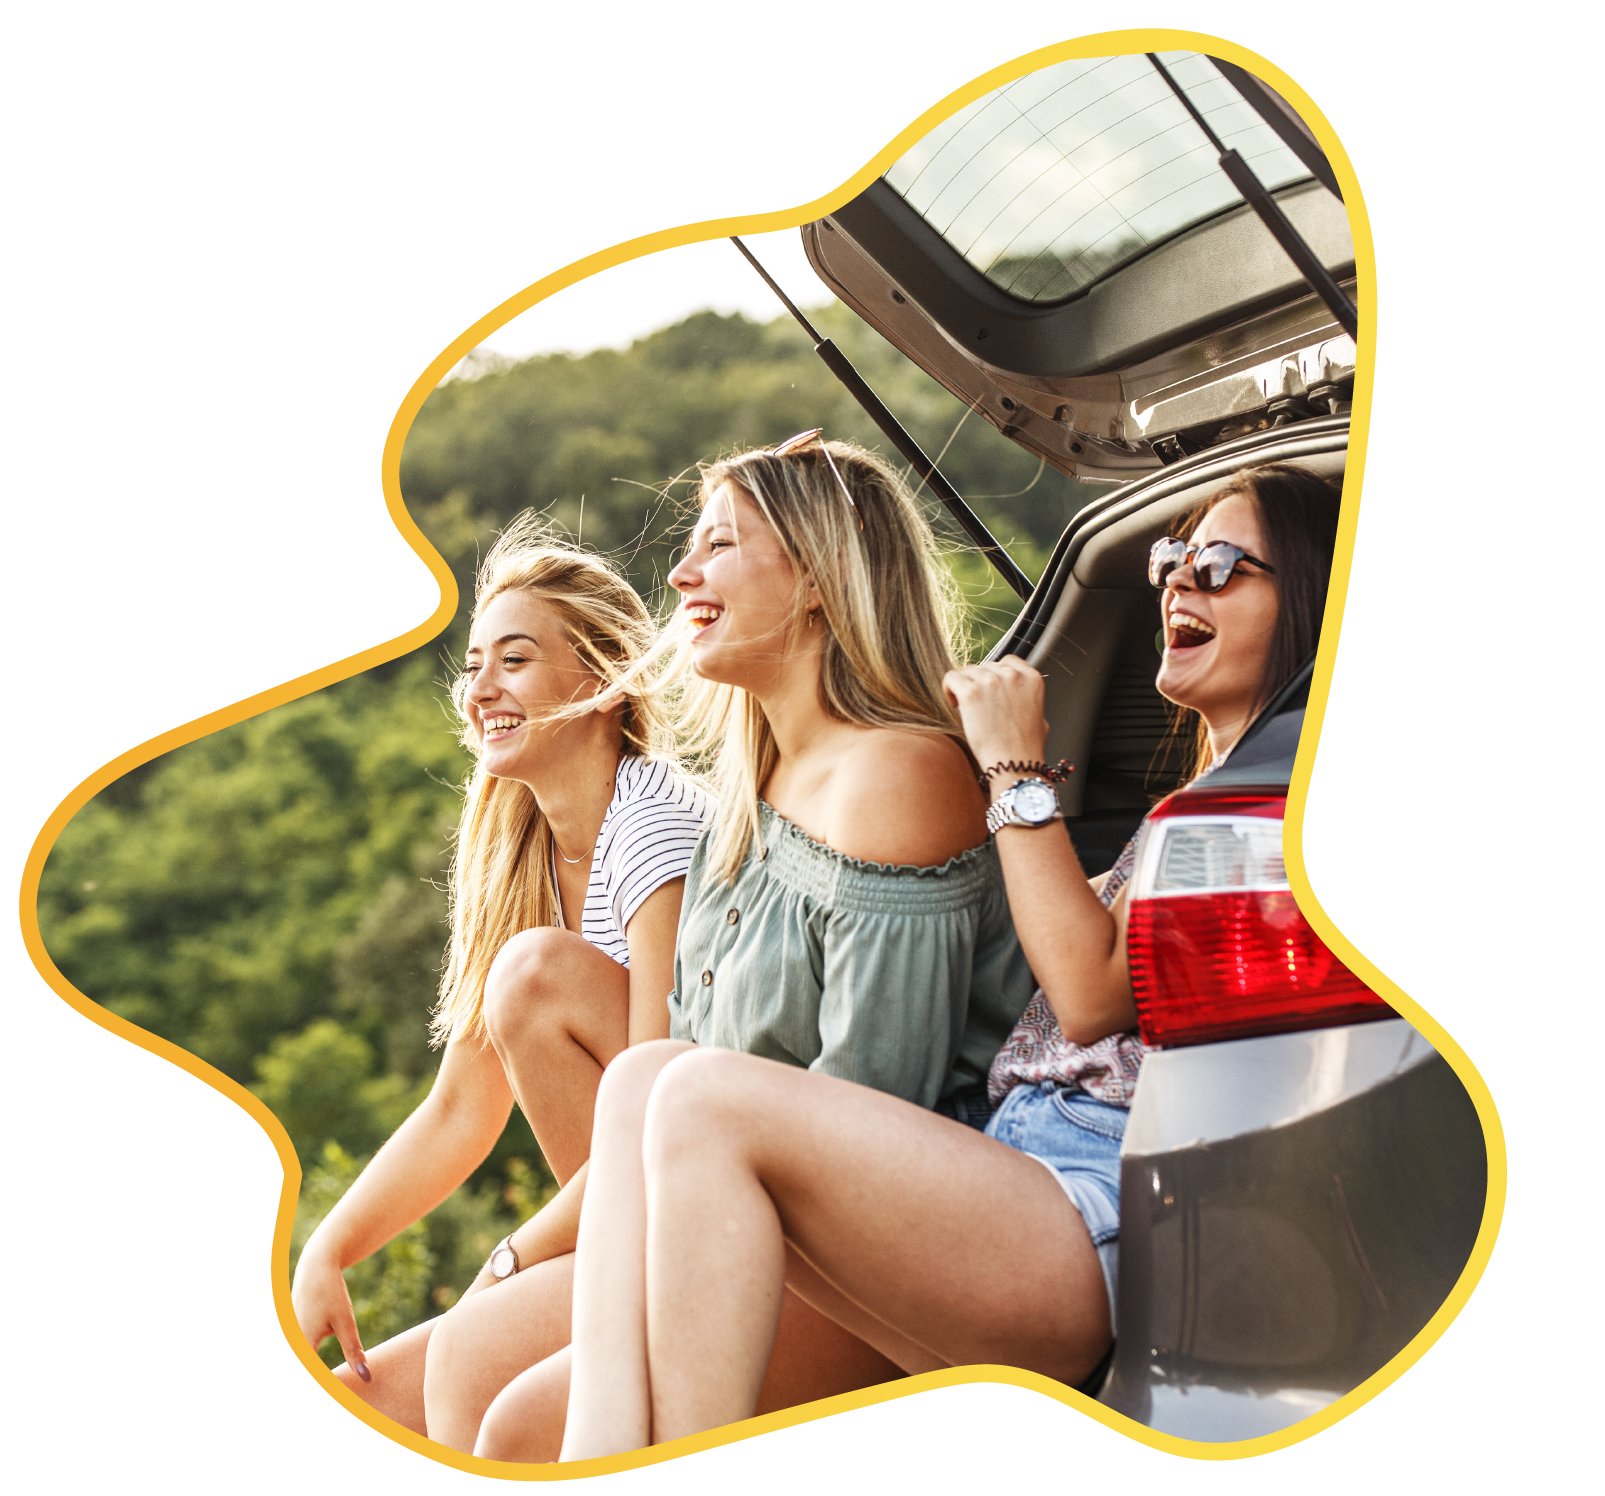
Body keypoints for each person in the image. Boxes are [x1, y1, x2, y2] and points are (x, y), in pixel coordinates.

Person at [536, 462, 1343, 1460]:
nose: (1179, 583)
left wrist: (1009, 763)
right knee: (647, 1073)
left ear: (1308, 596)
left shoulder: (1285, 797)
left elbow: (1087, 993)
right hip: (1020, 1162)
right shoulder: (1194, 801)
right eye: (1172, 559)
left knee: (696, 1092)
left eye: (1220, 566)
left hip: (1094, 1206)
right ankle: (604, 1459)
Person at [425, 430, 1038, 1457]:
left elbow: (873, 1112)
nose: (679, 571)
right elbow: (674, 1068)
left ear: (811, 575)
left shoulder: (894, 777)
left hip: (895, 1255)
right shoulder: (745, 799)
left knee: (520, 1416)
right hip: (753, 1211)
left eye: (719, 542)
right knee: (465, 1359)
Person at [290, 517, 713, 1434]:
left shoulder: (654, 824)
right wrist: (329, 1250)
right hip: (612, 1212)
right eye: (474, 664)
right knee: (354, 1414)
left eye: (513, 661)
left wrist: (511, 1262)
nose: (480, 688)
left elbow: (660, 1108)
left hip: (697, 1206)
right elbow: (460, 1109)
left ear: (599, 682)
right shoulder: (521, 848)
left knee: (470, 1370)